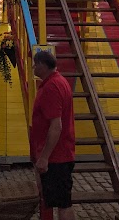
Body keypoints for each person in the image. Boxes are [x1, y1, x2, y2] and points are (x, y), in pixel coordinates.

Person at [30, 50, 76, 220]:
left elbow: (56, 126)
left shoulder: (51, 87)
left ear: (42, 65)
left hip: (57, 157)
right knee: (62, 202)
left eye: (35, 64)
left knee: (63, 205)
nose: (33, 67)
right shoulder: (60, 81)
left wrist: (44, 157)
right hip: (62, 153)